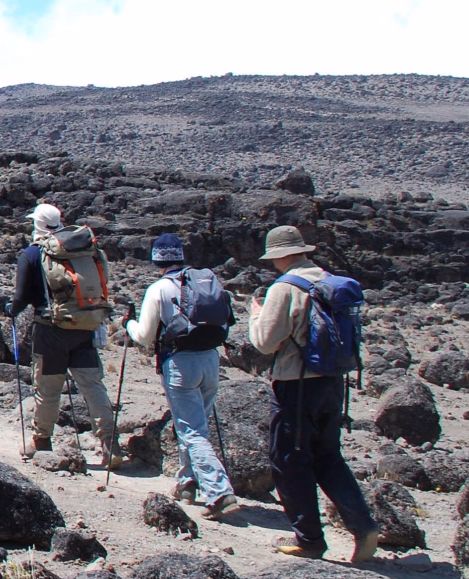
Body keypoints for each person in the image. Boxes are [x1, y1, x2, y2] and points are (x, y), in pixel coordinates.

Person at [250, 225, 380, 562]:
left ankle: (309, 540)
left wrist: (255, 315)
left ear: (279, 256)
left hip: (296, 384)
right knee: (327, 456)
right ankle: (363, 525)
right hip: (332, 383)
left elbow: (264, 342)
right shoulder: (326, 279)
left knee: (289, 461)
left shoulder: (285, 288)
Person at [125, 234, 237, 519]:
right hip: (211, 361)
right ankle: (187, 483)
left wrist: (129, 324)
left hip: (180, 364)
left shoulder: (159, 288)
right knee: (196, 425)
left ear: (157, 260)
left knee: (192, 431)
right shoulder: (207, 282)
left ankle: (220, 493)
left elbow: (144, 336)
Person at [9, 203, 123, 466]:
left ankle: (42, 441)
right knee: (92, 385)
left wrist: (9, 310)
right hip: (86, 327)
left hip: (50, 331)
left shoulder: (32, 254)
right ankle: (110, 443)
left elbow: (21, 297)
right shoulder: (83, 250)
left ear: (36, 224)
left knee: (48, 388)